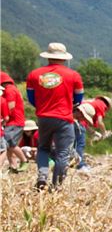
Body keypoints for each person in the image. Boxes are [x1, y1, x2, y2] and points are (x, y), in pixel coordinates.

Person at [26, 43, 84, 191]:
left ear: (48, 57)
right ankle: (56, 185)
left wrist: (42, 107)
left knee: (43, 148)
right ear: (64, 58)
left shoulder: (34, 74)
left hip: (43, 117)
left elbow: (31, 98)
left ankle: (42, 175)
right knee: (63, 153)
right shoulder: (73, 75)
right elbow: (78, 98)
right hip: (64, 118)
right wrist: (69, 107)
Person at [1, 72, 28, 172]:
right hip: (13, 122)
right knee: (9, 145)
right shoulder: (11, 89)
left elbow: (11, 106)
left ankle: (24, 160)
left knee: (9, 143)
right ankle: (13, 166)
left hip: (15, 122)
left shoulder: (10, 90)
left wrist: (3, 116)